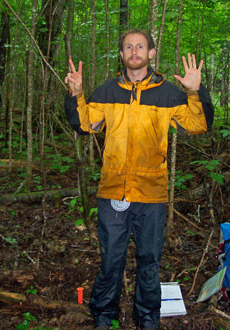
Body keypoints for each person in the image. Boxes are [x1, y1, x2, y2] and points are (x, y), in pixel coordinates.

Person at [64, 30, 214, 330]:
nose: (134, 51)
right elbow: (82, 124)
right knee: (111, 259)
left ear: (151, 53)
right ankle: (104, 314)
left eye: (140, 46)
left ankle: (147, 317)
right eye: (128, 47)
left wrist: (196, 92)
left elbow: (199, 124)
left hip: (152, 193)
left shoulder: (168, 93)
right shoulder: (107, 92)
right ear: (121, 54)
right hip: (112, 191)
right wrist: (76, 94)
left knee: (149, 261)